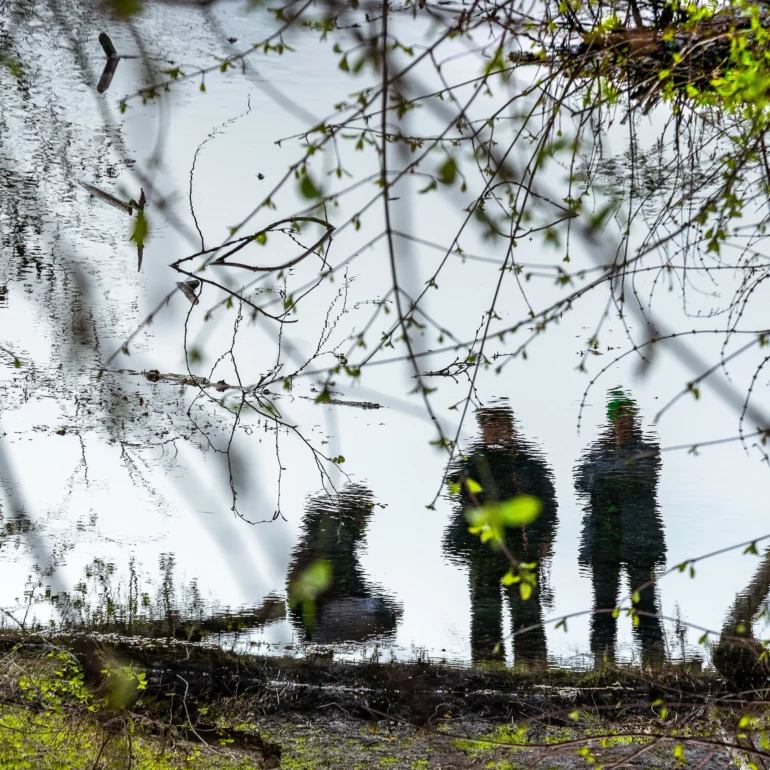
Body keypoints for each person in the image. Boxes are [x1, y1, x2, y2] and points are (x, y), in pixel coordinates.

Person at [443, 403, 558, 666]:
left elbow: (547, 502)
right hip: (483, 547)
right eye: (487, 426)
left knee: (526, 608)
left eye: (497, 425)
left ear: (510, 428)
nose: (492, 431)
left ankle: (532, 665)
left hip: (521, 546)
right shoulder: (471, 463)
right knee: (484, 608)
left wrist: (545, 537)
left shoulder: (528, 463)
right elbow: (458, 498)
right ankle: (486, 666)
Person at [574, 388, 666, 666]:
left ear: (634, 420)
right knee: (603, 603)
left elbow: (640, 478)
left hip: (640, 540)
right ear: (612, 420)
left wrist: (606, 476)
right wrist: (609, 474)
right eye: (619, 417)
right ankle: (602, 662)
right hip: (603, 541)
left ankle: (654, 663)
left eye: (628, 416)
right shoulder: (596, 451)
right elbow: (581, 483)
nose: (624, 422)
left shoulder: (647, 450)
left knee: (645, 603)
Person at [286, 483, 401, 644]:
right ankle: (319, 642)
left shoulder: (327, 532)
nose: (366, 520)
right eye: (365, 513)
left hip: (313, 613)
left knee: (382, 608)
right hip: (323, 612)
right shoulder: (339, 536)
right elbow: (345, 580)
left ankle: (318, 645)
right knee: (384, 615)